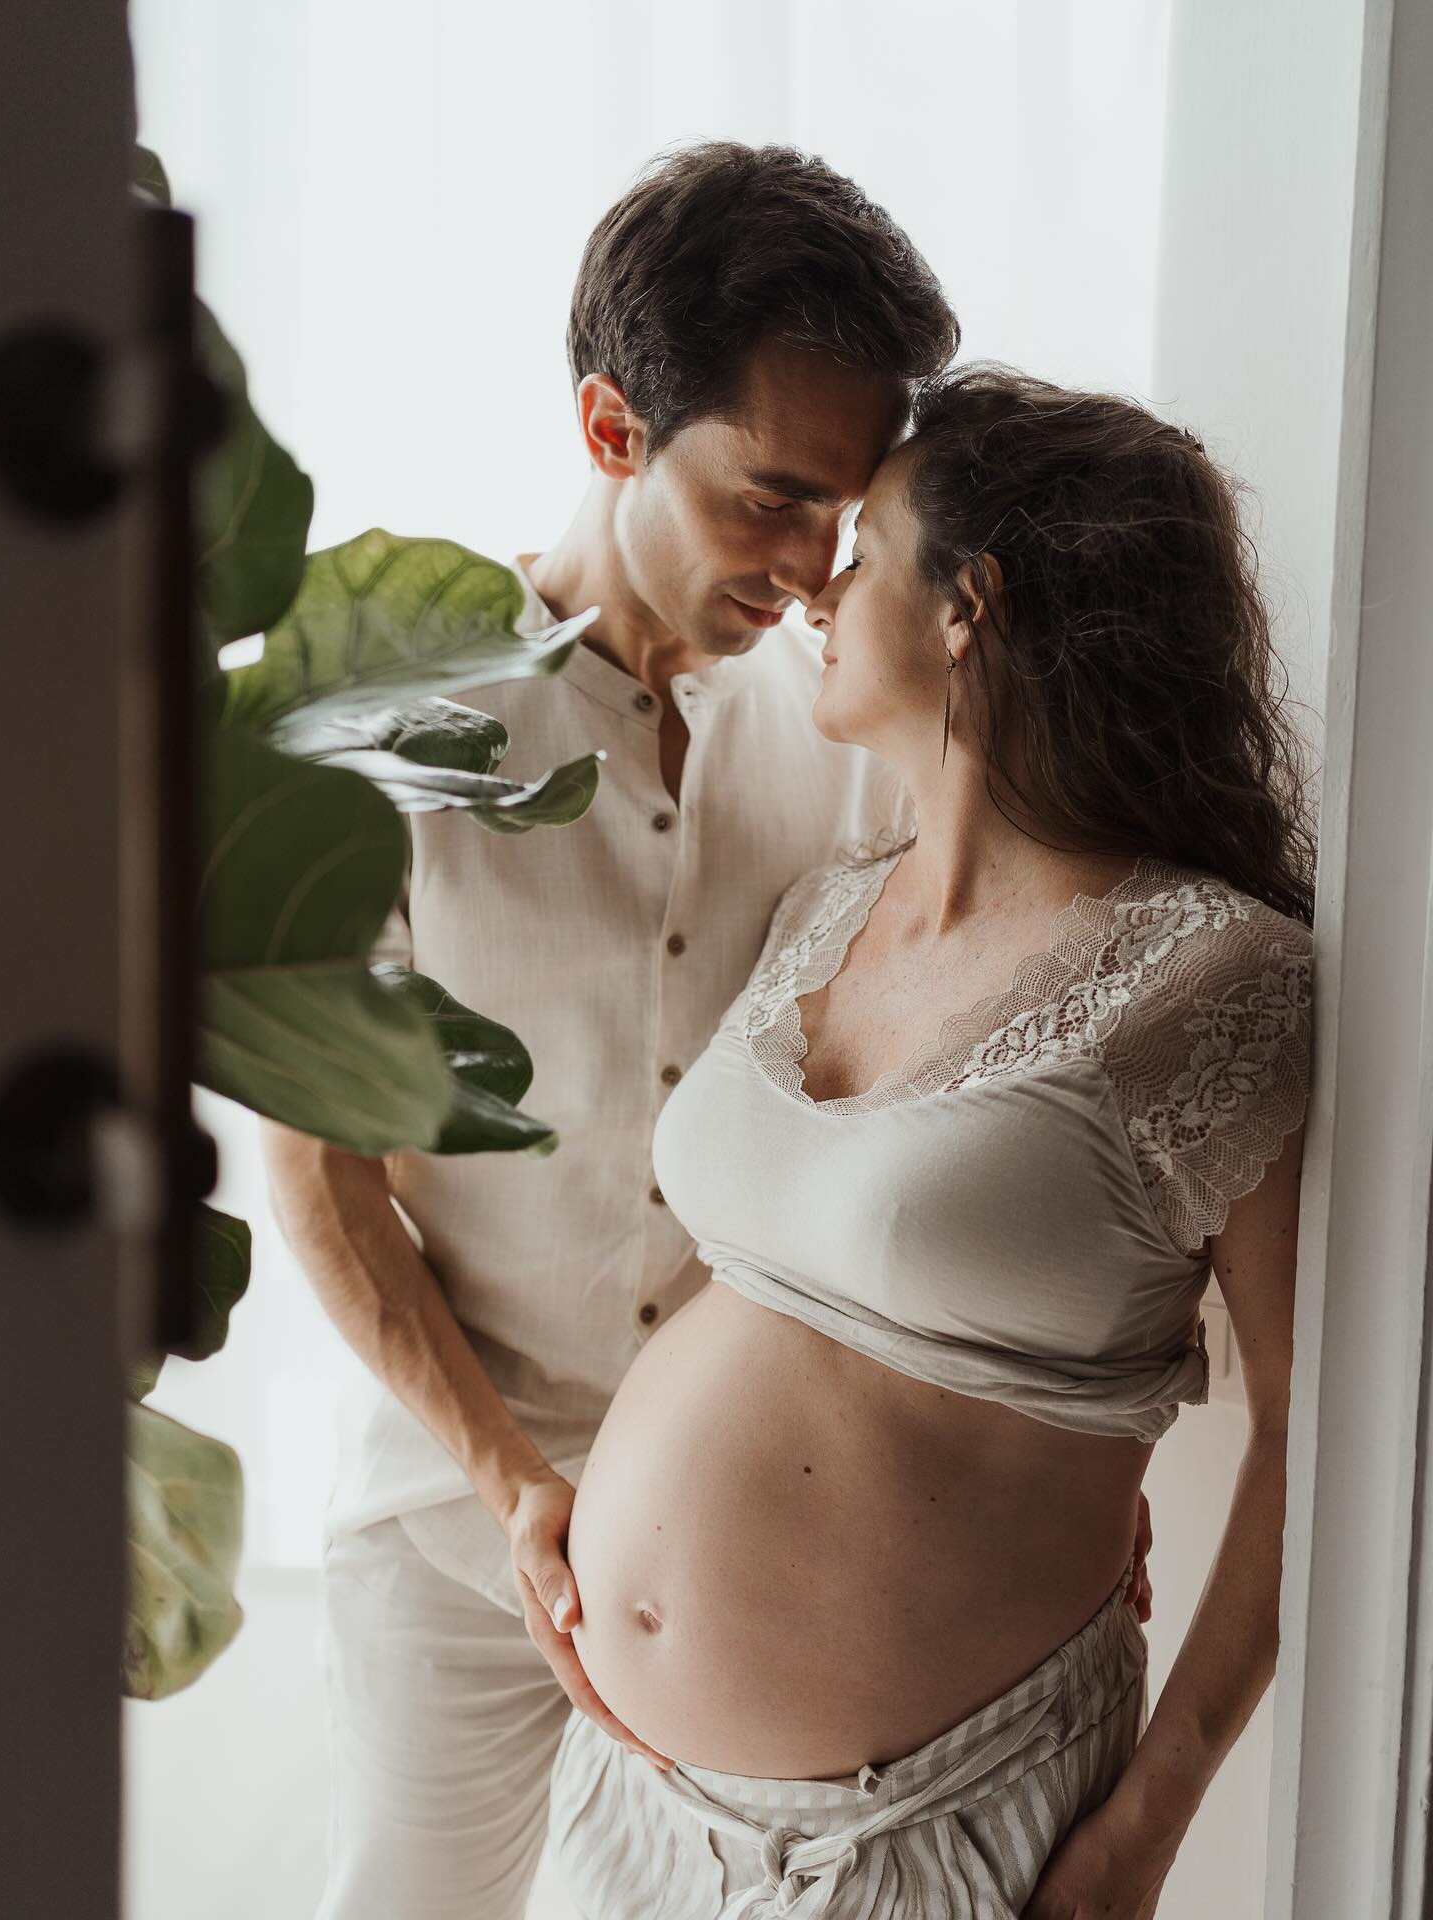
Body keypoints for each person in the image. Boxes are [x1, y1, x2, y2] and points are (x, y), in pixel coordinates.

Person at [267, 143, 1147, 1920]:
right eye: (771, 499)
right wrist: (515, 1490)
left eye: (847, 514)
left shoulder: (847, 736)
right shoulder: (379, 735)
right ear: (611, 429)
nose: (818, 563)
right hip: (454, 1538)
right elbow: (324, 1181)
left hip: (761, 1580)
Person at [543, 365, 1316, 1919]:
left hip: (920, 1832)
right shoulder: (833, 902)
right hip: (625, 1798)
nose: (820, 583)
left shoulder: (1212, 975)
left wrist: (1149, 1824)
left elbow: (1319, 1439)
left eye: (867, 542)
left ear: (972, 602)